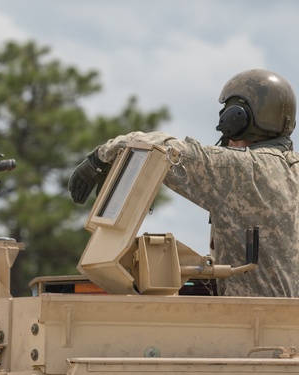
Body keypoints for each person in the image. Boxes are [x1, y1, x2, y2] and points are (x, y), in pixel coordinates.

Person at [68, 68, 299, 297]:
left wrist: (99, 158)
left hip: (253, 323)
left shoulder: (241, 171)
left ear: (236, 119)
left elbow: (157, 147)